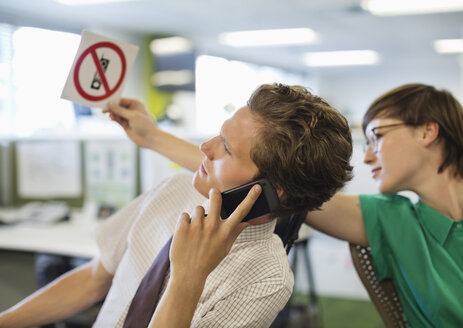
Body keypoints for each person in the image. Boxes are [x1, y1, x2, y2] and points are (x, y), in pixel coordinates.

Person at [109, 82, 463, 327]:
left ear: (427, 132)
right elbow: (272, 179)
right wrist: (153, 137)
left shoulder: (269, 280)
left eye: (377, 136)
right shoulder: (393, 219)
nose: (369, 155)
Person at [0, 83, 353, 328]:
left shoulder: (265, 278)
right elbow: (97, 277)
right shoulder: (176, 189)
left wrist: (188, 276)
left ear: (269, 191)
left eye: (226, 149)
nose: (206, 146)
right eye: (219, 133)